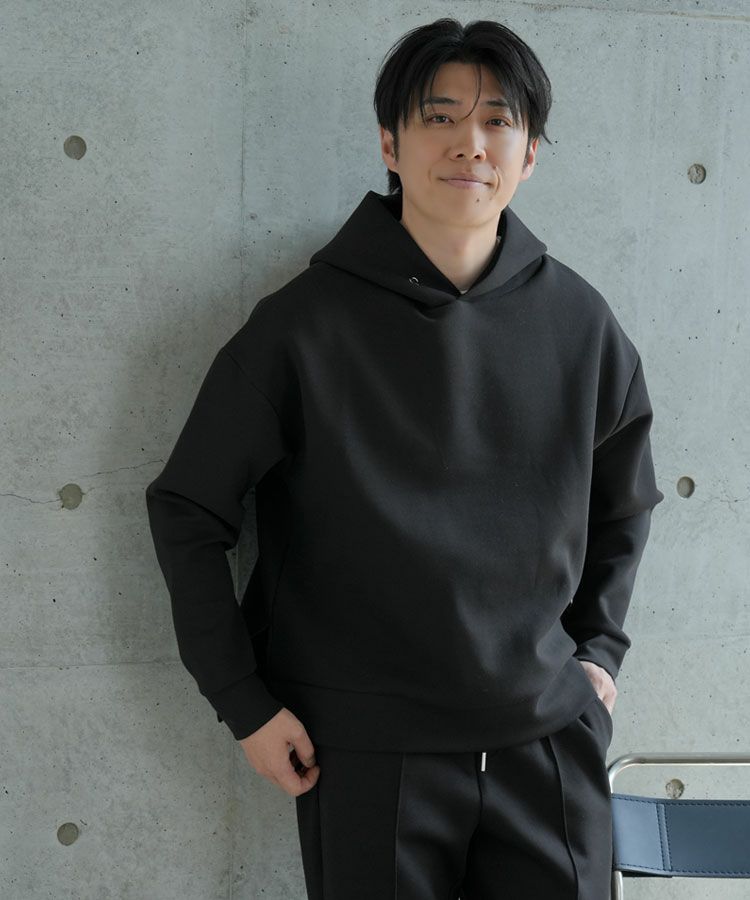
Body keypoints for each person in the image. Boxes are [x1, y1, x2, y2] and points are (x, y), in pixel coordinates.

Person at [145, 16, 665, 900]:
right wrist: (244, 703)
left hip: (547, 740)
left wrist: (600, 651)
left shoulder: (582, 323)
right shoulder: (301, 326)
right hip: (364, 752)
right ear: (390, 144)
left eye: (498, 120)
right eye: (440, 117)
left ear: (530, 154)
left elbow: (627, 501)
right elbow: (187, 509)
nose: (471, 143)